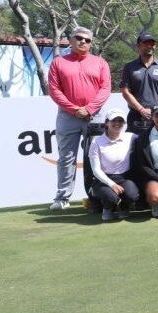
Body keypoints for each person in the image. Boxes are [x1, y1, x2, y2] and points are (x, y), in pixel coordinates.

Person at [48, 26, 111, 210]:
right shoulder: (59, 63)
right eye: (79, 38)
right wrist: (74, 109)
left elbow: (105, 88)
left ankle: (97, 197)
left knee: (97, 156)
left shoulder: (100, 63)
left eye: (87, 40)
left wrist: (90, 108)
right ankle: (62, 198)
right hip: (68, 116)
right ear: (70, 39)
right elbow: (54, 90)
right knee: (66, 157)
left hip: (95, 115)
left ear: (91, 44)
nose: (83, 41)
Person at [88, 108, 139, 221]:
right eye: (113, 121)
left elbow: (148, 137)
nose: (117, 124)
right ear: (107, 122)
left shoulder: (130, 137)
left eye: (120, 121)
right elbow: (96, 170)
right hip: (103, 180)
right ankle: (108, 207)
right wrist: (112, 184)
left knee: (133, 195)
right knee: (111, 197)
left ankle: (123, 206)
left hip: (123, 178)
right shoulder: (96, 142)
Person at [120, 33, 158, 130]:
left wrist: (155, 109)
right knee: (134, 144)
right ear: (138, 46)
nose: (149, 46)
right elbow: (125, 92)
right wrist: (141, 109)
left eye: (152, 44)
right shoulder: (129, 67)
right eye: (145, 43)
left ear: (155, 46)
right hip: (135, 115)